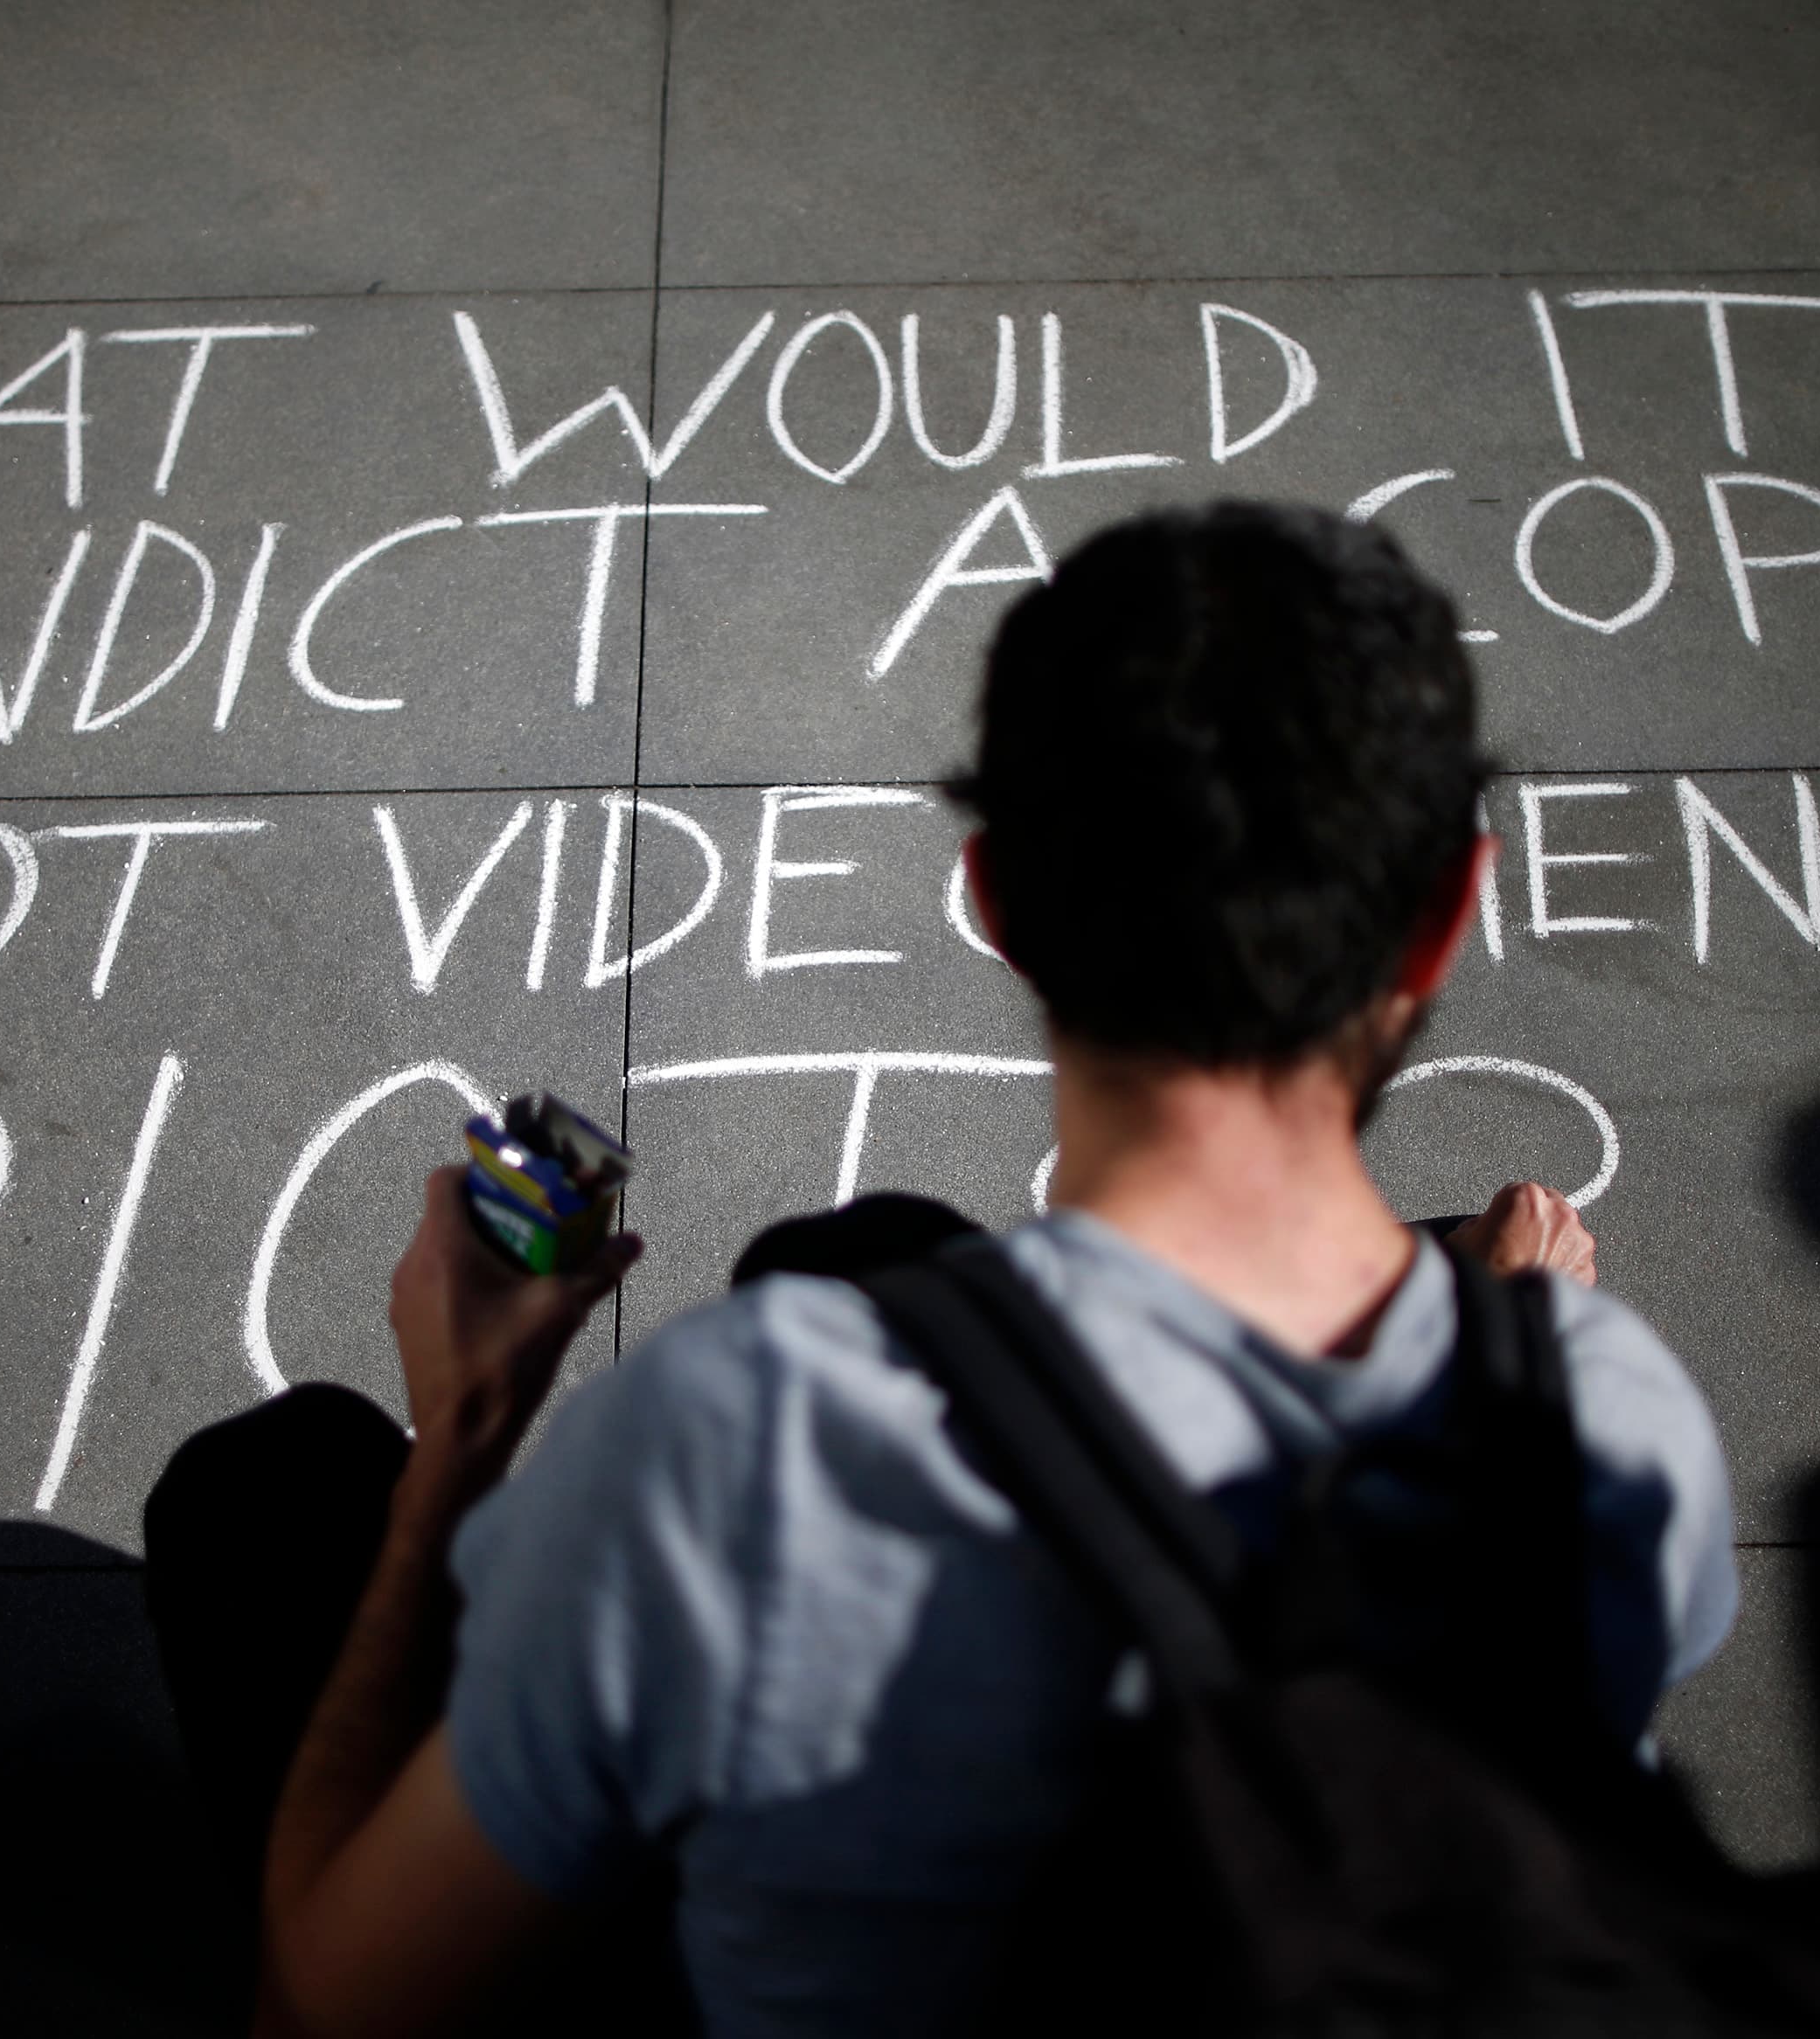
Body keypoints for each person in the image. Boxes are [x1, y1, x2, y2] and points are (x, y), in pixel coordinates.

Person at [145, 502, 1734, 2038]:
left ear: (995, 904)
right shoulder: (1606, 1425)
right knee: (868, 1255)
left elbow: (329, 2012)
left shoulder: (735, 1456)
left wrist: (467, 1441)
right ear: (1450, 913)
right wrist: (1504, 1355)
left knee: (267, 1490)